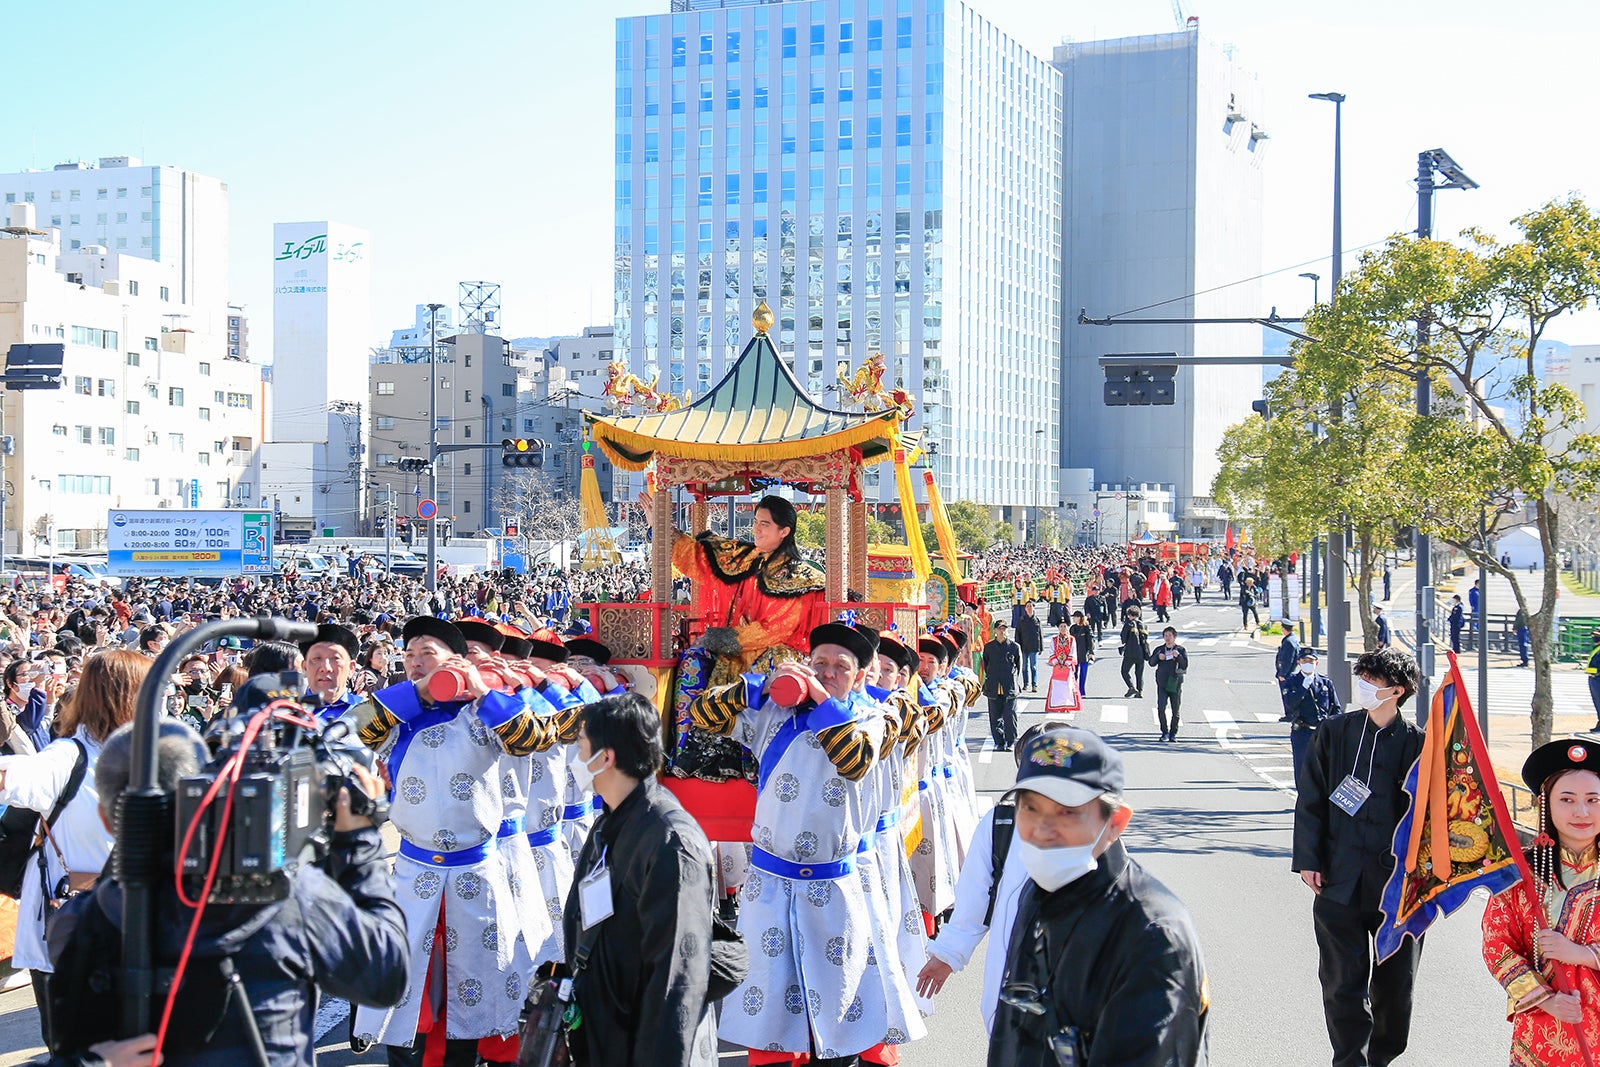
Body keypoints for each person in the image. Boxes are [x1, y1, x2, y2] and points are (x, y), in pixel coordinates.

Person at [45, 717, 408, 1067]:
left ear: (107, 818)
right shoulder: (287, 895)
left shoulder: (78, 922)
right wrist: (361, 844)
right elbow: (386, 977)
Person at [689, 622, 916, 1065]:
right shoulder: (774, 714)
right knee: (770, 1018)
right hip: (770, 886)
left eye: (840, 667)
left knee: (837, 1018)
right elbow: (702, 715)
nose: (827, 673)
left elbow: (853, 758)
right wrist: (758, 685)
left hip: (834, 890)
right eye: (819, 664)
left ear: (864, 673)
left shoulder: (878, 717)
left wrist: (821, 702)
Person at [352, 616, 556, 1066]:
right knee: (407, 999)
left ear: (457, 662)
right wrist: (417, 695)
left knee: (473, 997)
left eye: (428, 653)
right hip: (413, 875)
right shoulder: (395, 714)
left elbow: (534, 739)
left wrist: (480, 690)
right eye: (408, 655)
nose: (415, 662)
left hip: (474, 874)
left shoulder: (485, 709)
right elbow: (348, 730)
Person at [987, 726, 1209, 1067]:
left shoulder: (1152, 933)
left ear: (1116, 821)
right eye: (1030, 808)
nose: (1043, 830)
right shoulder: (1038, 892)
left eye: (1067, 812)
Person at [562, 692, 719, 1067]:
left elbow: (677, 976)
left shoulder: (670, 840)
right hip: (605, 1024)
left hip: (642, 1040)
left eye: (580, 745)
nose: (575, 758)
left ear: (606, 757)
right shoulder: (609, 821)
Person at [0, 650, 149, 1031]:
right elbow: (15, 776)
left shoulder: (153, 752)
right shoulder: (68, 755)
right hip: (71, 923)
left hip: (138, 922)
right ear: (125, 695)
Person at [1292, 646, 1425, 1067]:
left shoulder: (1422, 745)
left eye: (1372, 681)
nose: (1362, 686)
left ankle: (1381, 1058)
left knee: (1395, 986)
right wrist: (1309, 859)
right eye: (1361, 677)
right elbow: (1310, 797)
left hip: (1401, 890)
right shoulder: (1334, 732)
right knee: (1341, 981)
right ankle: (1350, 1060)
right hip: (1338, 879)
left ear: (1397, 691)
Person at [916, 721, 1071, 1033]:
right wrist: (947, 954)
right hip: (1013, 970)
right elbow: (974, 897)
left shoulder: (1095, 825)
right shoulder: (1001, 823)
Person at [1481, 738, 1600, 1066]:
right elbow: (1497, 945)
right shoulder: (1521, 875)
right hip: (1540, 1035)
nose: (1582, 811)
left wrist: (1582, 955)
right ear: (1545, 804)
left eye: (1593, 799)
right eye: (1567, 799)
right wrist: (1545, 999)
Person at [1285, 648, 1339, 787]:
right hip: (1303, 731)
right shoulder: (1293, 682)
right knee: (1302, 766)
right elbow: (1290, 705)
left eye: (1311, 661)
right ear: (1299, 662)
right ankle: (1302, 798)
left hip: (1322, 731)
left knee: (1324, 767)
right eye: (1304, 661)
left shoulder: (1325, 683)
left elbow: (1335, 708)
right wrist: (1303, 688)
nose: (1308, 664)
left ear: (1317, 663)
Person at [981, 620, 1022, 749]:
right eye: (999, 629)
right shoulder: (989, 647)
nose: (1002, 631)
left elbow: (1018, 666)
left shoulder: (1014, 647)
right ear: (995, 631)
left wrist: (1013, 679)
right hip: (993, 685)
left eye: (1004, 629)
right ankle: (999, 741)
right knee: (995, 716)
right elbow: (986, 665)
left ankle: (1010, 741)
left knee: (1010, 715)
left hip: (1009, 686)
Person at [1148, 627, 1189, 743]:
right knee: (1161, 707)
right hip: (1162, 683)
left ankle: (1173, 734)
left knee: (1175, 710)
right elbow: (1151, 663)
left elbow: (1185, 665)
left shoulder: (1180, 649)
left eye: (1170, 635)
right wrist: (1157, 657)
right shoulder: (1160, 649)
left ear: (1174, 637)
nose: (1168, 638)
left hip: (1175, 683)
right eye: (1165, 635)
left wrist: (1178, 656)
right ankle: (1164, 732)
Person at [1119, 607, 1149, 699]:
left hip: (1130, 651)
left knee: (1124, 671)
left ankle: (1131, 687)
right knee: (1139, 673)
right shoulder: (1143, 625)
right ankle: (1140, 691)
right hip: (1142, 652)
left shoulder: (1128, 624)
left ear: (1130, 615)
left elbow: (1123, 637)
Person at [1275, 630, 1303, 723]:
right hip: (1290, 672)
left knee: (1286, 694)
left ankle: (1289, 715)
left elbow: (1287, 660)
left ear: (1284, 629)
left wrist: (1283, 674)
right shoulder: (1293, 639)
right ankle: (1290, 714)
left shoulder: (1288, 642)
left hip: (1287, 673)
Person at [1067, 610, 1095, 699]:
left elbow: (1090, 641)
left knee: (1083, 674)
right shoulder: (1073, 628)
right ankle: (1074, 690)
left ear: (1079, 618)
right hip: (1074, 654)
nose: (1074, 619)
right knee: (1074, 673)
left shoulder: (1086, 627)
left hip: (1084, 654)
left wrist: (1091, 652)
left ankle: (1082, 691)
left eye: (1075, 617)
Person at [1014, 606, 1042, 694]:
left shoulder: (1036, 620)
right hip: (1023, 646)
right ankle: (1026, 683)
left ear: (1034, 608)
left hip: (1033, 647)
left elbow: (1040, 634)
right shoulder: (1021, 620)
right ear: (1025, 609)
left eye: (1031, 606)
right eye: (1027, 606)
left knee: (1033, 666)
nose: (1029, 608)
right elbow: (1017, 634)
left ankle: (1034, 684)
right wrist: (1017, 646)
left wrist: (1041, 647)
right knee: (1024, 667)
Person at [1588, 630, 1600, 731]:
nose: (1594, 638)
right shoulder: (1596, 648)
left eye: (1596, 636)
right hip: (1594, 678)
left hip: (1598, 678)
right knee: (1597, 702)